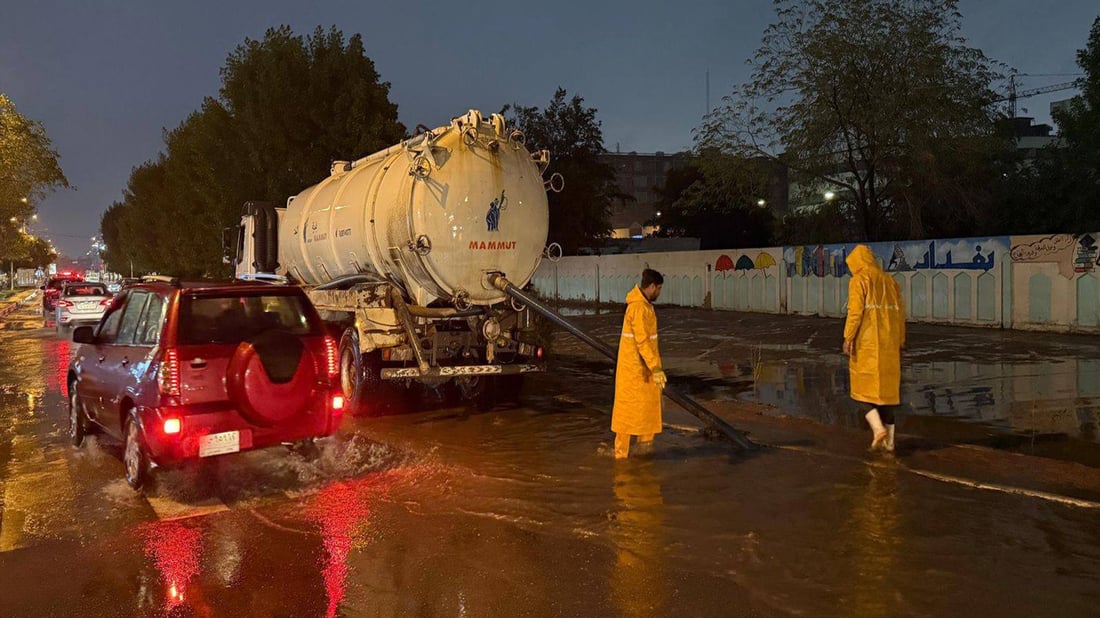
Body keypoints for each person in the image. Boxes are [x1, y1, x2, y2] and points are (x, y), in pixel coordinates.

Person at [843, 245, 905, 453]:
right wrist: (900, 340)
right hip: (889, 345)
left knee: (862, 393)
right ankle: (890, 444)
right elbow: (900, 315)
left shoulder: (859, 280)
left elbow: (855, 313)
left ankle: (878, 430)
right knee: (887, 397)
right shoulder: (891, 282)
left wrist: (848, 337)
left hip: (867, 346)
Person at [611, 268, 666, 459]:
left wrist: (654, 368)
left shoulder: (645, 307)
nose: (659, 292)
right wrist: (656, 367)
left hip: (645, 372)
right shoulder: (637, 308)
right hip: (633, 373)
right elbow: (642, 342)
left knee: (647, 415)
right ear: (651, 287)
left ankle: (643, 455)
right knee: (626, 418)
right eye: (658, 288)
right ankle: (621, 459)